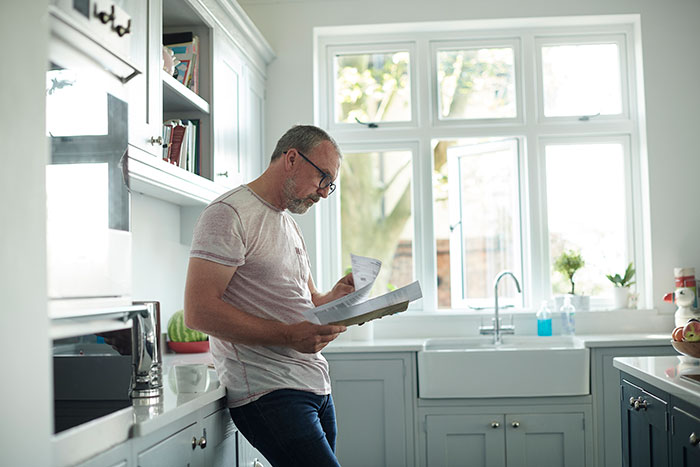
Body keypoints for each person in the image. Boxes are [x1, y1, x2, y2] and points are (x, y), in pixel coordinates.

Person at [184, 125, 353, 467]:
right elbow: (199, 312)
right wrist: (290, 335)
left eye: (329, 184)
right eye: (323, 177)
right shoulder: (228, 214)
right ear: (292, 158)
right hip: (269, 391)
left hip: (314, 384)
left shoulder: (288, 223)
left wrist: (336, 297)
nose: (323, 192)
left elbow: (306, 302)